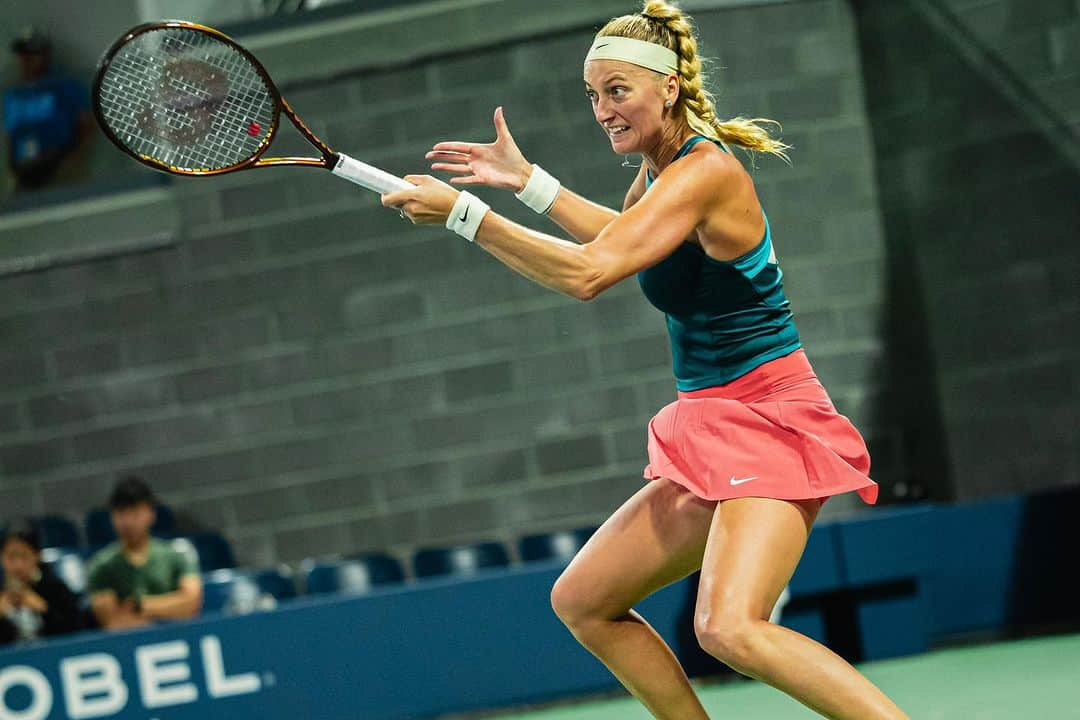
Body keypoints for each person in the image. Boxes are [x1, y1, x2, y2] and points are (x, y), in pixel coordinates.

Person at [382, 2, 906, 717]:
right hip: (714, 420)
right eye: (593, 95)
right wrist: (528, 182)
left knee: (730, 627)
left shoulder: (703, 172)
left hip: (772, 418)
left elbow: (591, 273)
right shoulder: (658, 175)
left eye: (618, 90)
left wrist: (464, 216)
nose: (602, 109)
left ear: (669, 87)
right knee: (585, 601)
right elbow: (625, 240)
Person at [86, 477, 203, 630]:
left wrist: (139, 606)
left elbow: (191, 604)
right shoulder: (101, 564)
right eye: (121, 513)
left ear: (151, 513)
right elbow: (113, 622)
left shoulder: (177, 553)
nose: (128, 522)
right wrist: (172, 606)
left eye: (135, 512)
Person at [2, 27, 93, 192]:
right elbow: (9, 134)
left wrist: (75, 160)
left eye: (32, 53)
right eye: (23, 54)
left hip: (57, 164)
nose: (27, 59)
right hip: (24, 168)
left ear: (45, 54)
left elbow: (86, 124)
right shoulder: (13, 94)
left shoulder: (65, 86)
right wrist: (11, 169)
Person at [0, 518, 83, 645]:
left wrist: (44, 609)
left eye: (24, 556)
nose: (18, 565)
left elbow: (76, 631)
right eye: (11, 557)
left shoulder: (55, 588)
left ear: (37, 556)